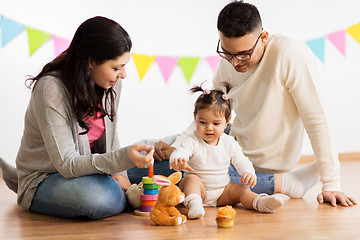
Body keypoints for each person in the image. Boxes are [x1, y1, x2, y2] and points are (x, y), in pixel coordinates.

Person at [154, 1, 356, 207]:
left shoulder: (289, 54)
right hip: (229, 141)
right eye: (227, 53)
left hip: (255, 162)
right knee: (158, 149)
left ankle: (282, 182)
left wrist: (331, 183)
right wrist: (176, 147)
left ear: (264, 38)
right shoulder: (231, 60)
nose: (234, 63)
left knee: (168, 172)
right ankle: (128, 166)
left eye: (243, 54)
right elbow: (209, 112)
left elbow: (316, 118)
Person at [0, 16, 155, 220]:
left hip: (93, 170)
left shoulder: (112, 84)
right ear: (91, 61)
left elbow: (111, 133)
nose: (123, 74)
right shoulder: (51, 89)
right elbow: (67, 164)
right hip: (49, 177)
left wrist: (120, 174)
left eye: (124, 66)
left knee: (168, 165)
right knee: (101, 197)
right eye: (117, 67)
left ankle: (128, 191)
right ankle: (132, 194)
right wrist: (123, 160)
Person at [169, 84, 283, 219]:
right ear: (195, 118)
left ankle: (260, 202)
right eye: (203, 122)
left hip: (222, 192)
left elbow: (241, 160)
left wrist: (248, 172)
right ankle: (194, 205)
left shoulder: (229, 142)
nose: (209, 128)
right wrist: (177, 160)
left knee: (242, 190)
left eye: (216, 124)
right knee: (190, 180)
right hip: (199, 190)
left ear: (227, 121)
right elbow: (180, 152)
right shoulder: (192, 140)